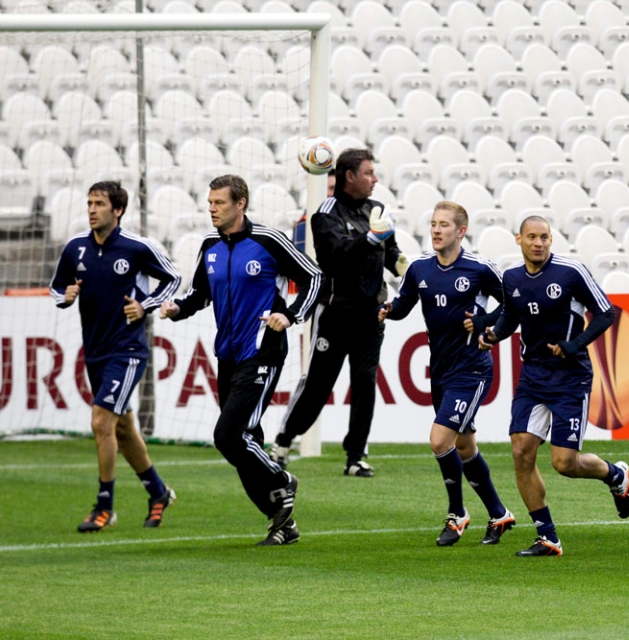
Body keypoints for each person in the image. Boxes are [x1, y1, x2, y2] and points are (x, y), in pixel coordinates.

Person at [159, 175, 321, 546]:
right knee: (247, 443)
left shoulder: (268, 241)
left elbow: (314, 278)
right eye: (209, 201)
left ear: (241, 203)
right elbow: (199, 294)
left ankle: (282, 481)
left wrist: (291, 315)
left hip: (262, 350)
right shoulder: (210, 245)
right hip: (228, 354)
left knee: (228, 436)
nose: (211, 208)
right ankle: (282, 524)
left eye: (219, 202)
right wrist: (176, 307)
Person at [478, 215, 629, 557]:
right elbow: (510, 316)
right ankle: (547, 536)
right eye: (532, 237)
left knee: (565, 463)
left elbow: (605, 313)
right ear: (518, 239)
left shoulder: (570, 272)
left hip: (570, 378)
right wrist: (492, 335)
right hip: (533, 376)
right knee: (521, 452)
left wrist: (575, 344)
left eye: (545, 237)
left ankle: (615, 475)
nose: (539, 243)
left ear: (551, 240)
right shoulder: (513, 277)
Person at [379, 201, 515, 546]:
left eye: (444, 225)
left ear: (461, 231)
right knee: (465, 445)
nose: (436, 230)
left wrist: (485, 324)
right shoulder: (420, 268)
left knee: (440, 440)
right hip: (439, 369)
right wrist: (387, 310)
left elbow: (511, 305)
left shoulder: (479, 268)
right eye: (434, 224)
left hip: (472, 369)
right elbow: (404, 304)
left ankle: (457, 514)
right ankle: (499, 515)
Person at [50, 181, 181, 533]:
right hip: (95, 350)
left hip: (128, 350)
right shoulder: (76, 248)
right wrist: (66, 294)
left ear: (118, 210)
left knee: (100, 422)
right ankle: (158, 492)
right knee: (122, 428)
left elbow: (173, 278)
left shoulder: (137, 247)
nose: (92, 209)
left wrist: (146, 305)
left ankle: (104, 505)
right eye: (89, 203)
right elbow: (56, 287)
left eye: (99, 204)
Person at [272, 149, 407, 477]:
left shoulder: (377, 209)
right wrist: (370, 237)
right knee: (319, 385)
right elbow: (337, 255)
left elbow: (390, 252)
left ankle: (356, 456)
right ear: (350, 177)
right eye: (369, 173)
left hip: (372, 313)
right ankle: (283, 442)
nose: (375, 179)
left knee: (365, 382)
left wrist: (405, 266)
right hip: (334, 313)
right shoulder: (325, 213)